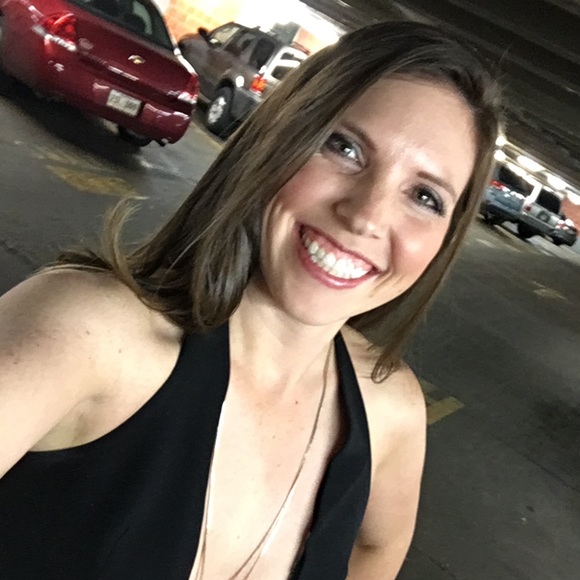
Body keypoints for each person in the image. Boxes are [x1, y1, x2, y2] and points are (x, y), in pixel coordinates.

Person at [0, 20, 502, 580]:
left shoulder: (391, 412)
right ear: (279, 137)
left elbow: (377, 547)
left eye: (425, 196)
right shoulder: (89, 334)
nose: (367, 215)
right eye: (344, 147)